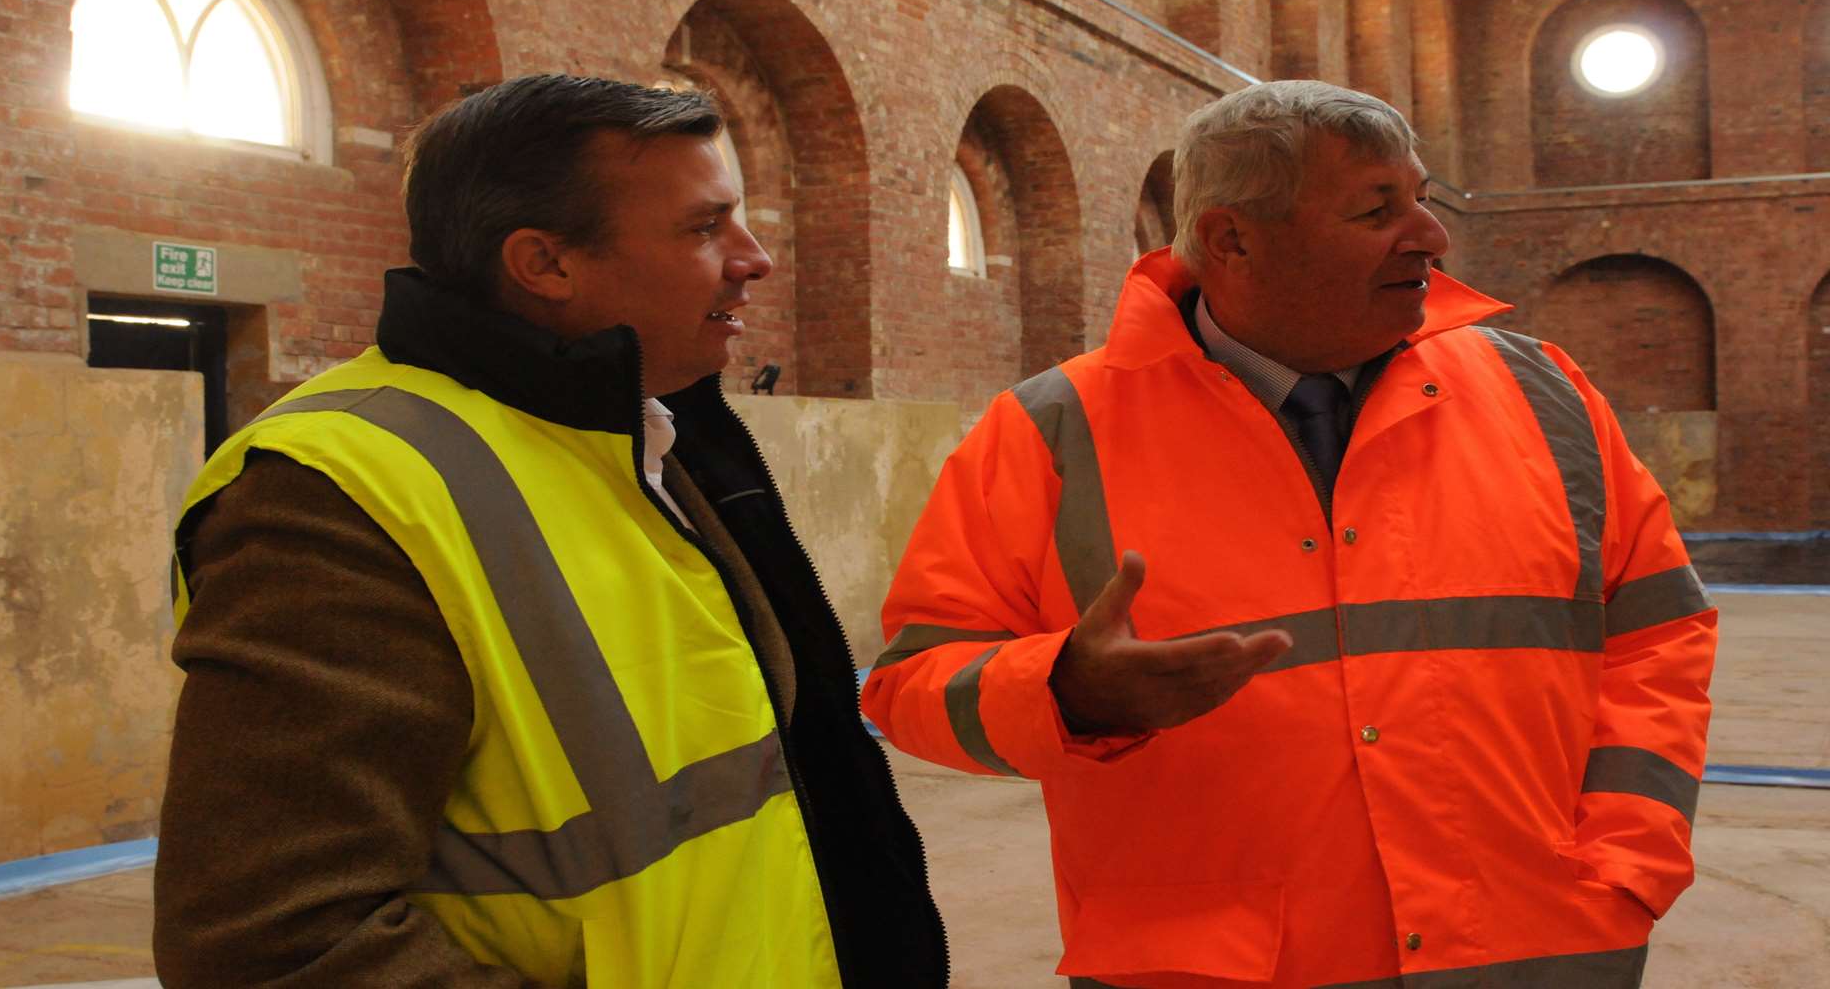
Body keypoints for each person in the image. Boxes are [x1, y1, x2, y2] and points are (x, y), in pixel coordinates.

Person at [862, 80, 1715, 989]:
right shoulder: (1051, 433)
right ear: (1233, 238)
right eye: (1376, 209)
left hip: (1538, 953)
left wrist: (1629, 859)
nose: (1430, 235)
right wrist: (1066, 692)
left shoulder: (1544, 394)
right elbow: (911, 683)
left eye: (1419, 196)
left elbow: (1659, 633)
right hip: (1218, 969)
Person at [155, 74, 946, 988]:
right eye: (704, 227)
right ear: (545, 264)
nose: (754, 257)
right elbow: (269, 946)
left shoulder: (646, 433)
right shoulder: (334, 495)